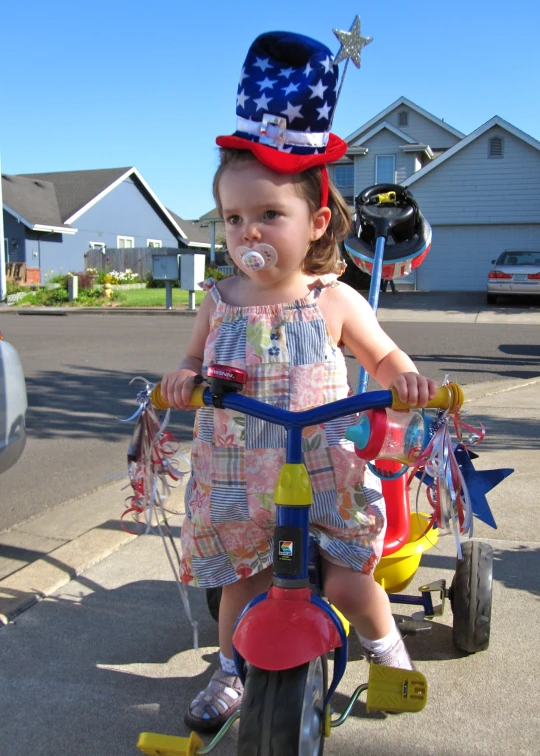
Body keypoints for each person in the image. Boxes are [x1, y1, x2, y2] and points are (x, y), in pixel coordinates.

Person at [160, 30, 437, 734]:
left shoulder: (332, 297)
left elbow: (380, 356)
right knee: (242, 583)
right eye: (234, 218)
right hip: (237, 475)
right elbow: (193, 362)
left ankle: (389, 654)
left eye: (268, 215)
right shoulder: (219, 297)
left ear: (315, 220)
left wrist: (403, 379)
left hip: (320, 471)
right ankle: (229, 670)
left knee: (349, 579)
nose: (248, 231)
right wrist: (182, 380)